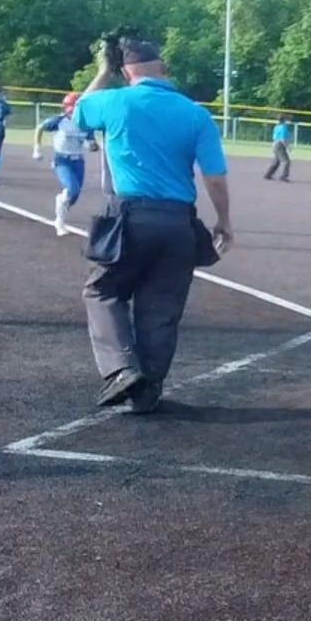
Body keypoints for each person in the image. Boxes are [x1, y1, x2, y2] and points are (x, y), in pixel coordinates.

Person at [70, 35, 234, 414]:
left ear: (126, 72)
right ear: (164, 68)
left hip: (128, 216)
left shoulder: (114, 100)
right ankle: (147, 393)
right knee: (161, 307)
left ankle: (121, 369)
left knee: (103, 290)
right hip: (178, 222)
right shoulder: (195, 114)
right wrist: (224, 221)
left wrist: (103, 73)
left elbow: (78, 113)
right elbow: (214, 178)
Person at [33, 92, 100, 236]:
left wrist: (93, 145)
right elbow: (40, 128)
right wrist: (37, 148)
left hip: (78, 161)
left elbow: (91, 143)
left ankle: (61, 207)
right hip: (62, 160)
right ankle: (59, 221)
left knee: (74, 195)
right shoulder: (59, 121)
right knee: (72, 189)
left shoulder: (87, 124)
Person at [265, 114, 293, 181]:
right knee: (286, 162)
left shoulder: (277, 126)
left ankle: (268, 175)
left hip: (275, 144)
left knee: (276, 161)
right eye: (288, 120)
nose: (289, 121)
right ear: (285, 120)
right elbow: (282, 139)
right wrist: (288, 146)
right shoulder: (283, 127)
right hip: (279, 145)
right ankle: (283, 177)